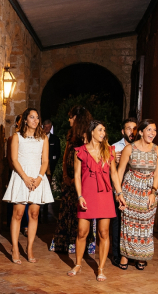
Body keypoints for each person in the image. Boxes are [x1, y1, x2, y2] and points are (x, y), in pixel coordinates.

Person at [67, 121, 120, 281]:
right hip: (87, 195)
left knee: (103, 233)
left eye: (104, 130)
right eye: (100, 130)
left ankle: (101, 268)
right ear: (91, 132)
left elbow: (114, 175)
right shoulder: (80, 152)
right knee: (82, 232)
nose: (103, 133)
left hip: (105, 195)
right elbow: (76, 176)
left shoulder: (109, 151)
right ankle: (77, 264)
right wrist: (79, 196)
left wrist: (120, 193)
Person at [3, 108, 54, 263]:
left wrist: (39, 178)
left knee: (34, 214)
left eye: (37, 118)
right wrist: (25, 178)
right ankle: (15, 248)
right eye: (32, 117)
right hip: (21, 176)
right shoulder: (17, 137)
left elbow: (45, 161)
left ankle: (29, 247)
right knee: (18, 214)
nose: (35, 120)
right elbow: (14, 159)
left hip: (37, 177)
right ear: (25, 120)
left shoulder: (43, 138)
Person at [116, 119, 158, 270]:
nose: (153, 133)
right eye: (149, 130)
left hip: (148, 190)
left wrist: (153, 192)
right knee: (128, 224)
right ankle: (125, 255)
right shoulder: (129, 149)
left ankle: (141, 256)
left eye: (154, 130)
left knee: (145, 225)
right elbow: (120, 171)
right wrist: (119, 193)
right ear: (141, 132)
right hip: (130, 189)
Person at [50, 105, 93, 255]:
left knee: (78, 212)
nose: (69, 119)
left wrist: (77, 179)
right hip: (69, 180)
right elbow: (65, 155)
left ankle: (81, 244)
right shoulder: (71, 134)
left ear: (77, 118)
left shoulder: (88, 135)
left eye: (71, 116)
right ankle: (64, 243)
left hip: (82, 181)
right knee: (66, 210)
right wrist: (65, 176)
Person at [110, 118, 137, 266]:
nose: (131, 132)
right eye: (128, 128)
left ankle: (132, 254)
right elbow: (106, 170)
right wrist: (114, 161)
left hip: (134, 191)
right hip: (119, 189)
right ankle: (116, 254)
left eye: (134, 128)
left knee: (133, 224)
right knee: (117, 223)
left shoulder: (140, 146)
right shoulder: (114, 147)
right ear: (122, 131)